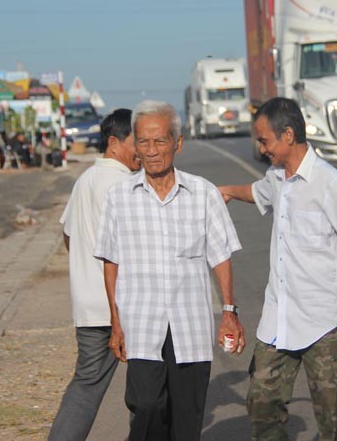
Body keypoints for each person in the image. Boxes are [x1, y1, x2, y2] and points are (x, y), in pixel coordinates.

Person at [218, 97, 337, 441]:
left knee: (332, 419)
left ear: (287, 135)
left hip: (324, 321)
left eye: (264, 140)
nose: (261, 148)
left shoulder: (328, 181)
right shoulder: (275, 178)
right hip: (279, 319)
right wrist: (225, 191)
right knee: (262, 404)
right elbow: (256, 193)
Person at [94, 100, 245, 441]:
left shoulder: (203, 194)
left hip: (190, 327)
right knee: (146, 405)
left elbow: (221, 257)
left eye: (160, 141)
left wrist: (229, 313)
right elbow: (110, 262)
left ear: (177, 143)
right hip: (141, 326)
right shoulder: (119, 197)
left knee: (187, 422)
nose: (151, 151)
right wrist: (115, 323)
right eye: (143, 142)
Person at [49, 109, 141, 441]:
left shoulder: (86, 179)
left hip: (88, 305)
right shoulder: (127, 185)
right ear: (115, 141)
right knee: (147, 386)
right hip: (123, 305)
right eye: (138, 142)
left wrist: (87, 269)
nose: (143, 150)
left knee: (86, 386)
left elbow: (68, 235)